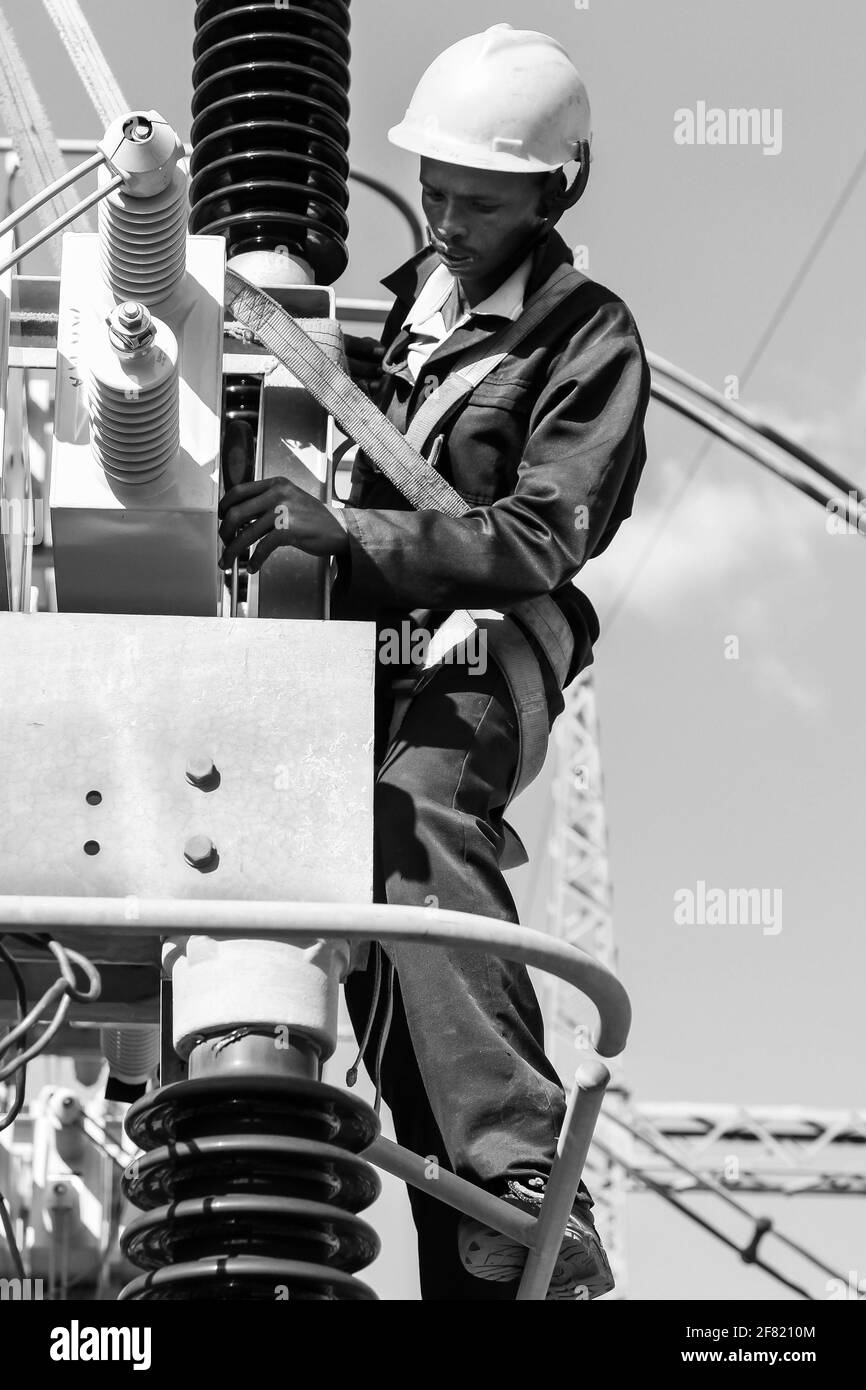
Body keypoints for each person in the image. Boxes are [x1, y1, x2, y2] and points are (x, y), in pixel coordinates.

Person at [218, 23, 651, 1301]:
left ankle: (520, 1166)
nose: (446, 219)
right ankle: (478, 1250)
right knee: (385, 948)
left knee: (414, 814)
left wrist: (342, 526)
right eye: (436, 191)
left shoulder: (585, 337)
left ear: (552, 191)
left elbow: (539, 532)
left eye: (477, 199)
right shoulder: (405, 306)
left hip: (481, 646)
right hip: (361, 660)